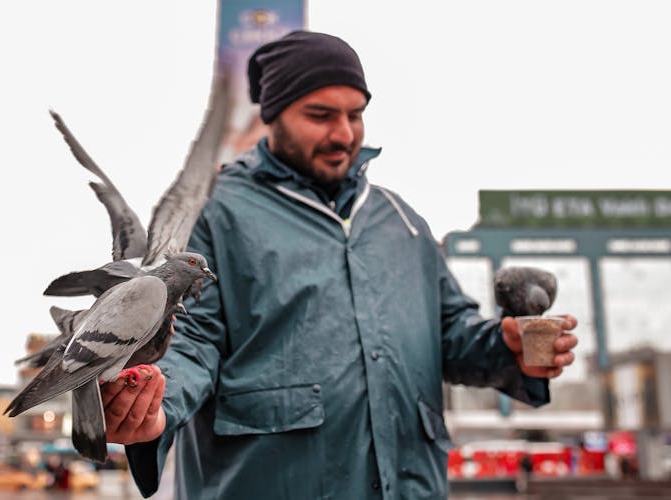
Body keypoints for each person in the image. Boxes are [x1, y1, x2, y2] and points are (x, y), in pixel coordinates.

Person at [98, 30, 579, 499]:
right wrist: (152, 405)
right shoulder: (216, 213)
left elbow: (451, 333)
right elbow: (189, 340)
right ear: (275, 115)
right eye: (321, 115)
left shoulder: (402, 223)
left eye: (356, 114)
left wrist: (507, 347)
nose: (344, 133)